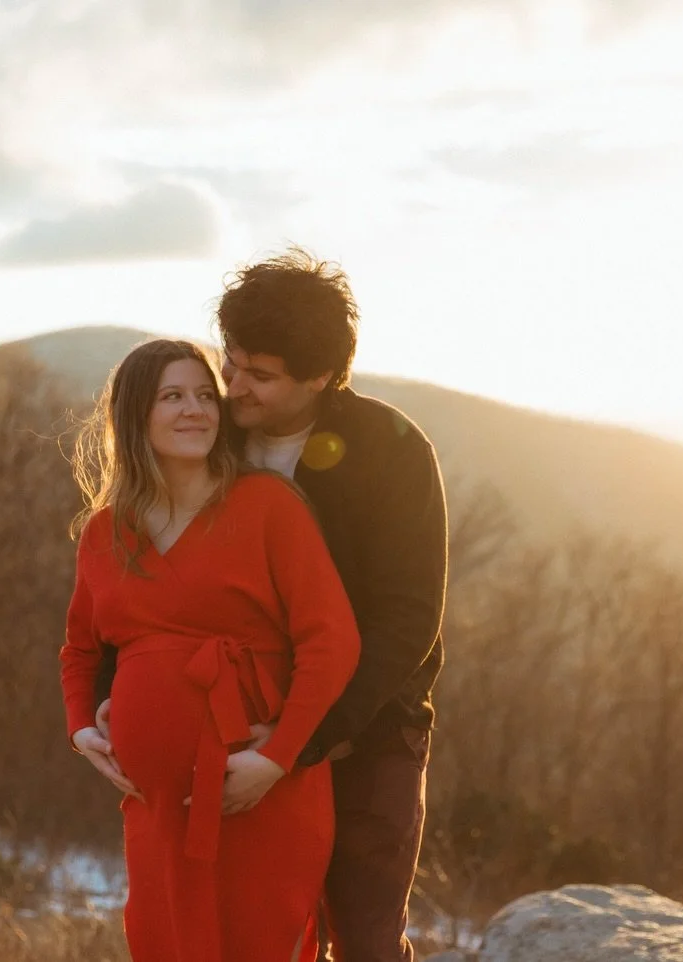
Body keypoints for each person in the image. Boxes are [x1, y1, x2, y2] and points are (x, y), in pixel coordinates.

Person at [91, 249, 449, 962]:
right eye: (232, 361)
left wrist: (301, 742)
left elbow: (408, 618)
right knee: (246, 934)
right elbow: (138, 565)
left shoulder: (390, 451)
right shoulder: (209, 435)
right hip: (225, 733)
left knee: (365, 940)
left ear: (319, 375)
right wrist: (110, 692)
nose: (234, 387)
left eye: (260, 374)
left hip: (364, 733)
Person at [59, 338, 361, 961]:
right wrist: (81, 729)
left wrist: (277, 757)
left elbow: (332, 641)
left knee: (258, 944)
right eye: (173, 396)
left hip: (260, 789)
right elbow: (79, 651)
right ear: (135, 414)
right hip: (156, 807)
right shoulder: (105, 532)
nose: (195, 409)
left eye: (205, 395)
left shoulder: (267, 505)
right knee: (165, 943)